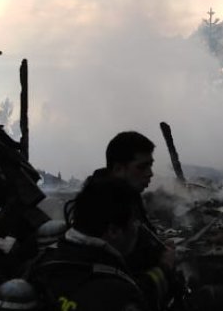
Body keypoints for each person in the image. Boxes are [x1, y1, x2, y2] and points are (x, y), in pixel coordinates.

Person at [81, 131, 180, 310]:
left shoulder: (129, 197)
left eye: (150, 166)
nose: (150, 174)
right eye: (142, 167)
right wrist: (165, 266)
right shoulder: (103, 207)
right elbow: (126, 287)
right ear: (118, 169)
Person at [27, 176, 148, 311]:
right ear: (113, 230)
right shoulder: (120, 295)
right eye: (135, 221)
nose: (138, 227)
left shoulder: (40, 264)